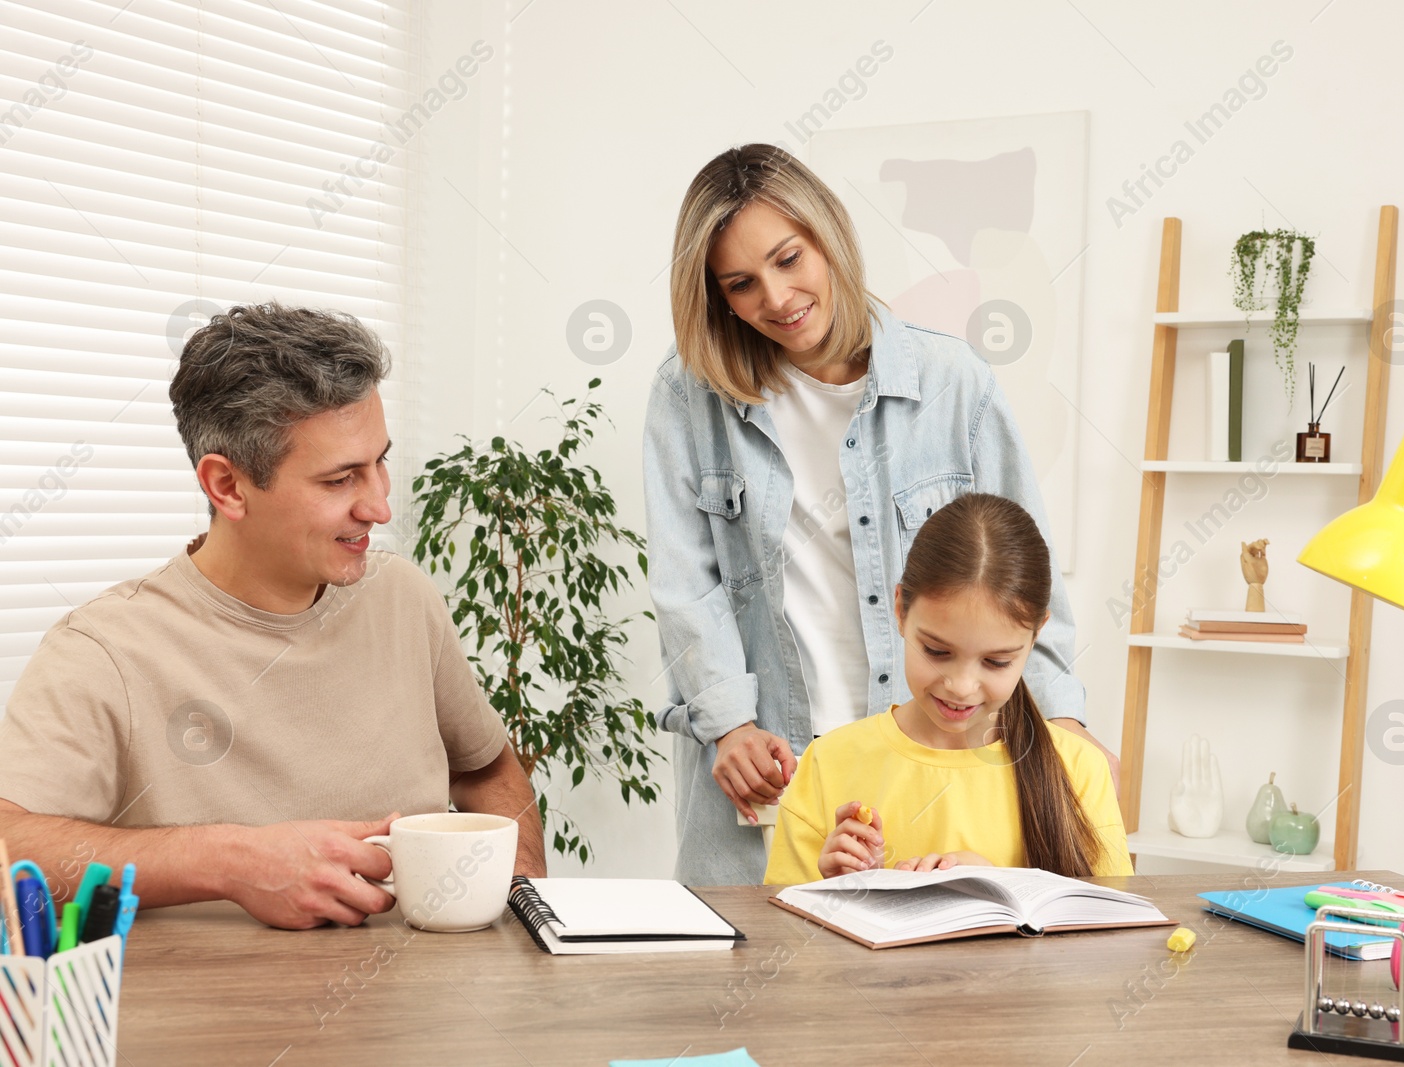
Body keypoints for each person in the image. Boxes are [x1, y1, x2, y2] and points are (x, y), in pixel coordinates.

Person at [645, 143, 1118, 886]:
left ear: (828, 235)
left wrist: (1063, 720)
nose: (775, 296)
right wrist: (727, 722)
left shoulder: (953, 383)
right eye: (741, 283)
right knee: (756, 992)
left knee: (918, 982)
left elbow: (1028, 573)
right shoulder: (688, 396)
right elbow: (684, 582)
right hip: (764, 771)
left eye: (789, 258)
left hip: (917, 761)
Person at [0, 303, 546, 929]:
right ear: (227, 486)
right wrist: (230, 861)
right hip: (223, 1019)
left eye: (380, 463)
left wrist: (524, 890)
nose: (379, 507)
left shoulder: (403, 597)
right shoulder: (102, 651)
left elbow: (488, 768)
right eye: (341, 480)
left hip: (421, 1010)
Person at [764, 494, 1132, 884]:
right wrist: (843, 889)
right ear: (901, 610)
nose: (960, 687)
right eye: (937, 652)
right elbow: (785, 934)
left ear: (1037, 632)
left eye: (996, 662)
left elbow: (1113, 935)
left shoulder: (1079, 770)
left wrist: (1002, 886)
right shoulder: (830, 763)